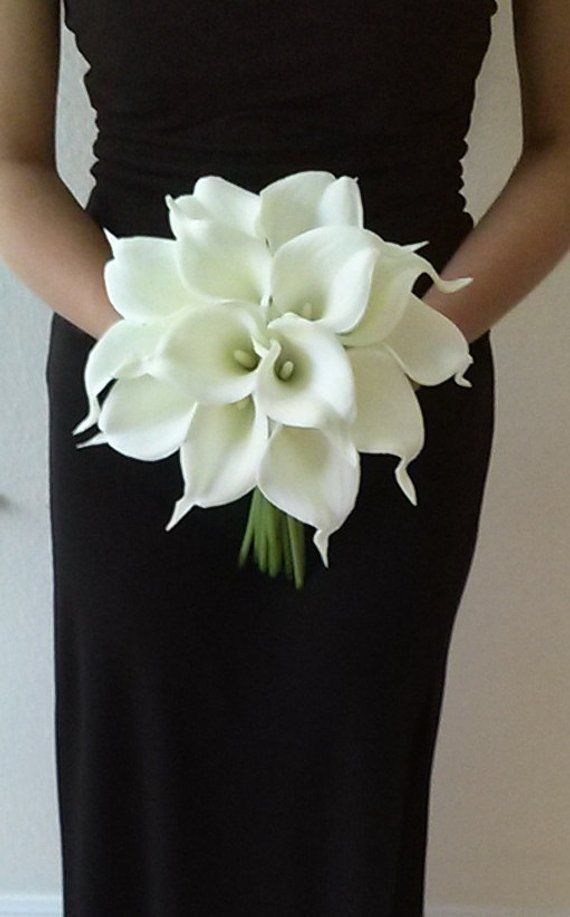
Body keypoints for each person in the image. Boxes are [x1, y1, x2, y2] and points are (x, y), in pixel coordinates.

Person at [0, 1, 568, 914]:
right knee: (141, 779)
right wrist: (179, 349)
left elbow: (563, 148)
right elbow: (9, 160)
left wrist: (398, 344)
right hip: (144, 395)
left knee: (352, 790)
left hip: (395, 397)